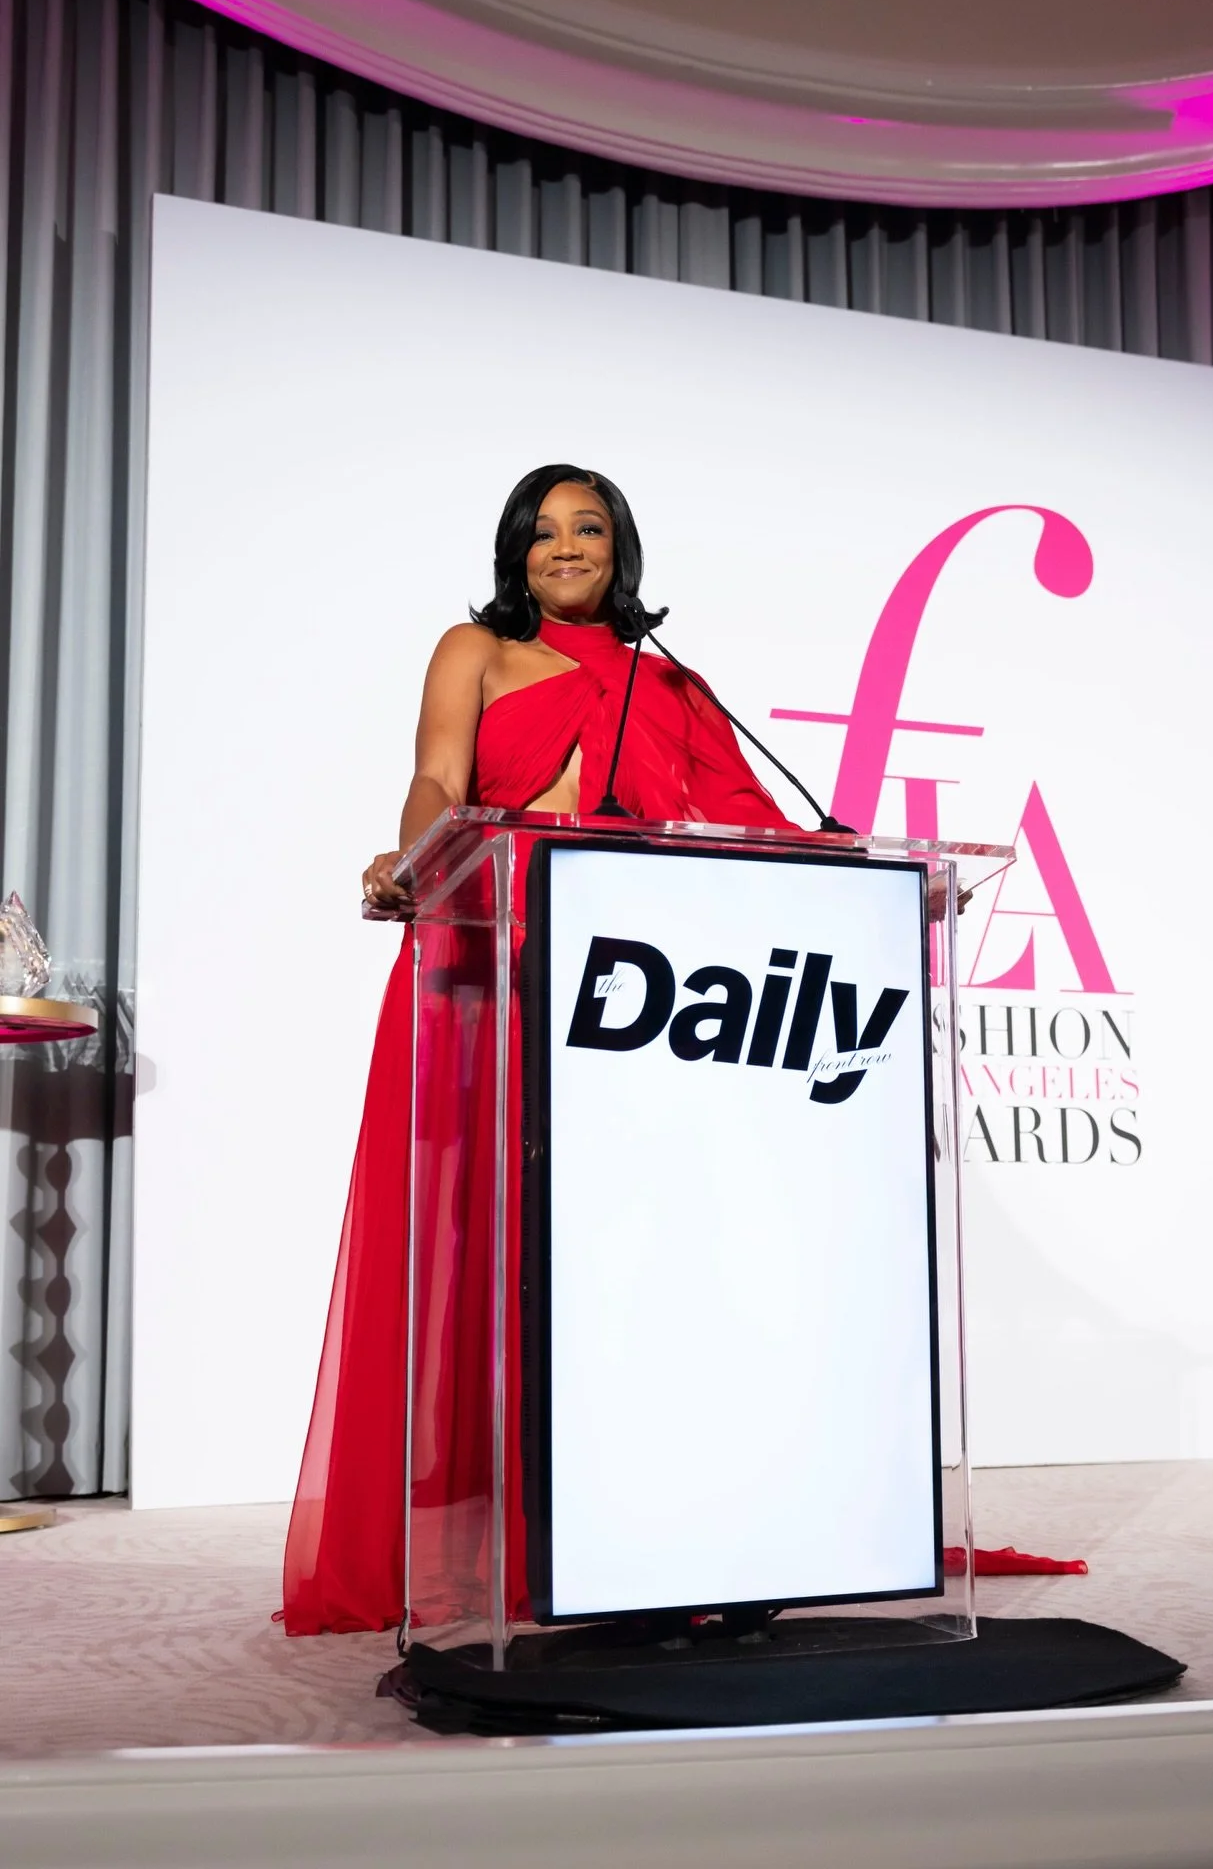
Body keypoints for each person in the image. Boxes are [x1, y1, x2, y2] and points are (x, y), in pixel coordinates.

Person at [282, 465, 798, 1636]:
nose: (568, 548)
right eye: (545, 532)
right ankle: (523, 1541)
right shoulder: (473, 649)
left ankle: (666, 1528)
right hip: (496, 964)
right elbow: (437, 779)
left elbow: (753, 822)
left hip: (639, 995)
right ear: (515, 551)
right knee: (506, 1257)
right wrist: (415, 861)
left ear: (622, 549)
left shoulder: (677, 684)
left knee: (643, 1259)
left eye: (591, 528)